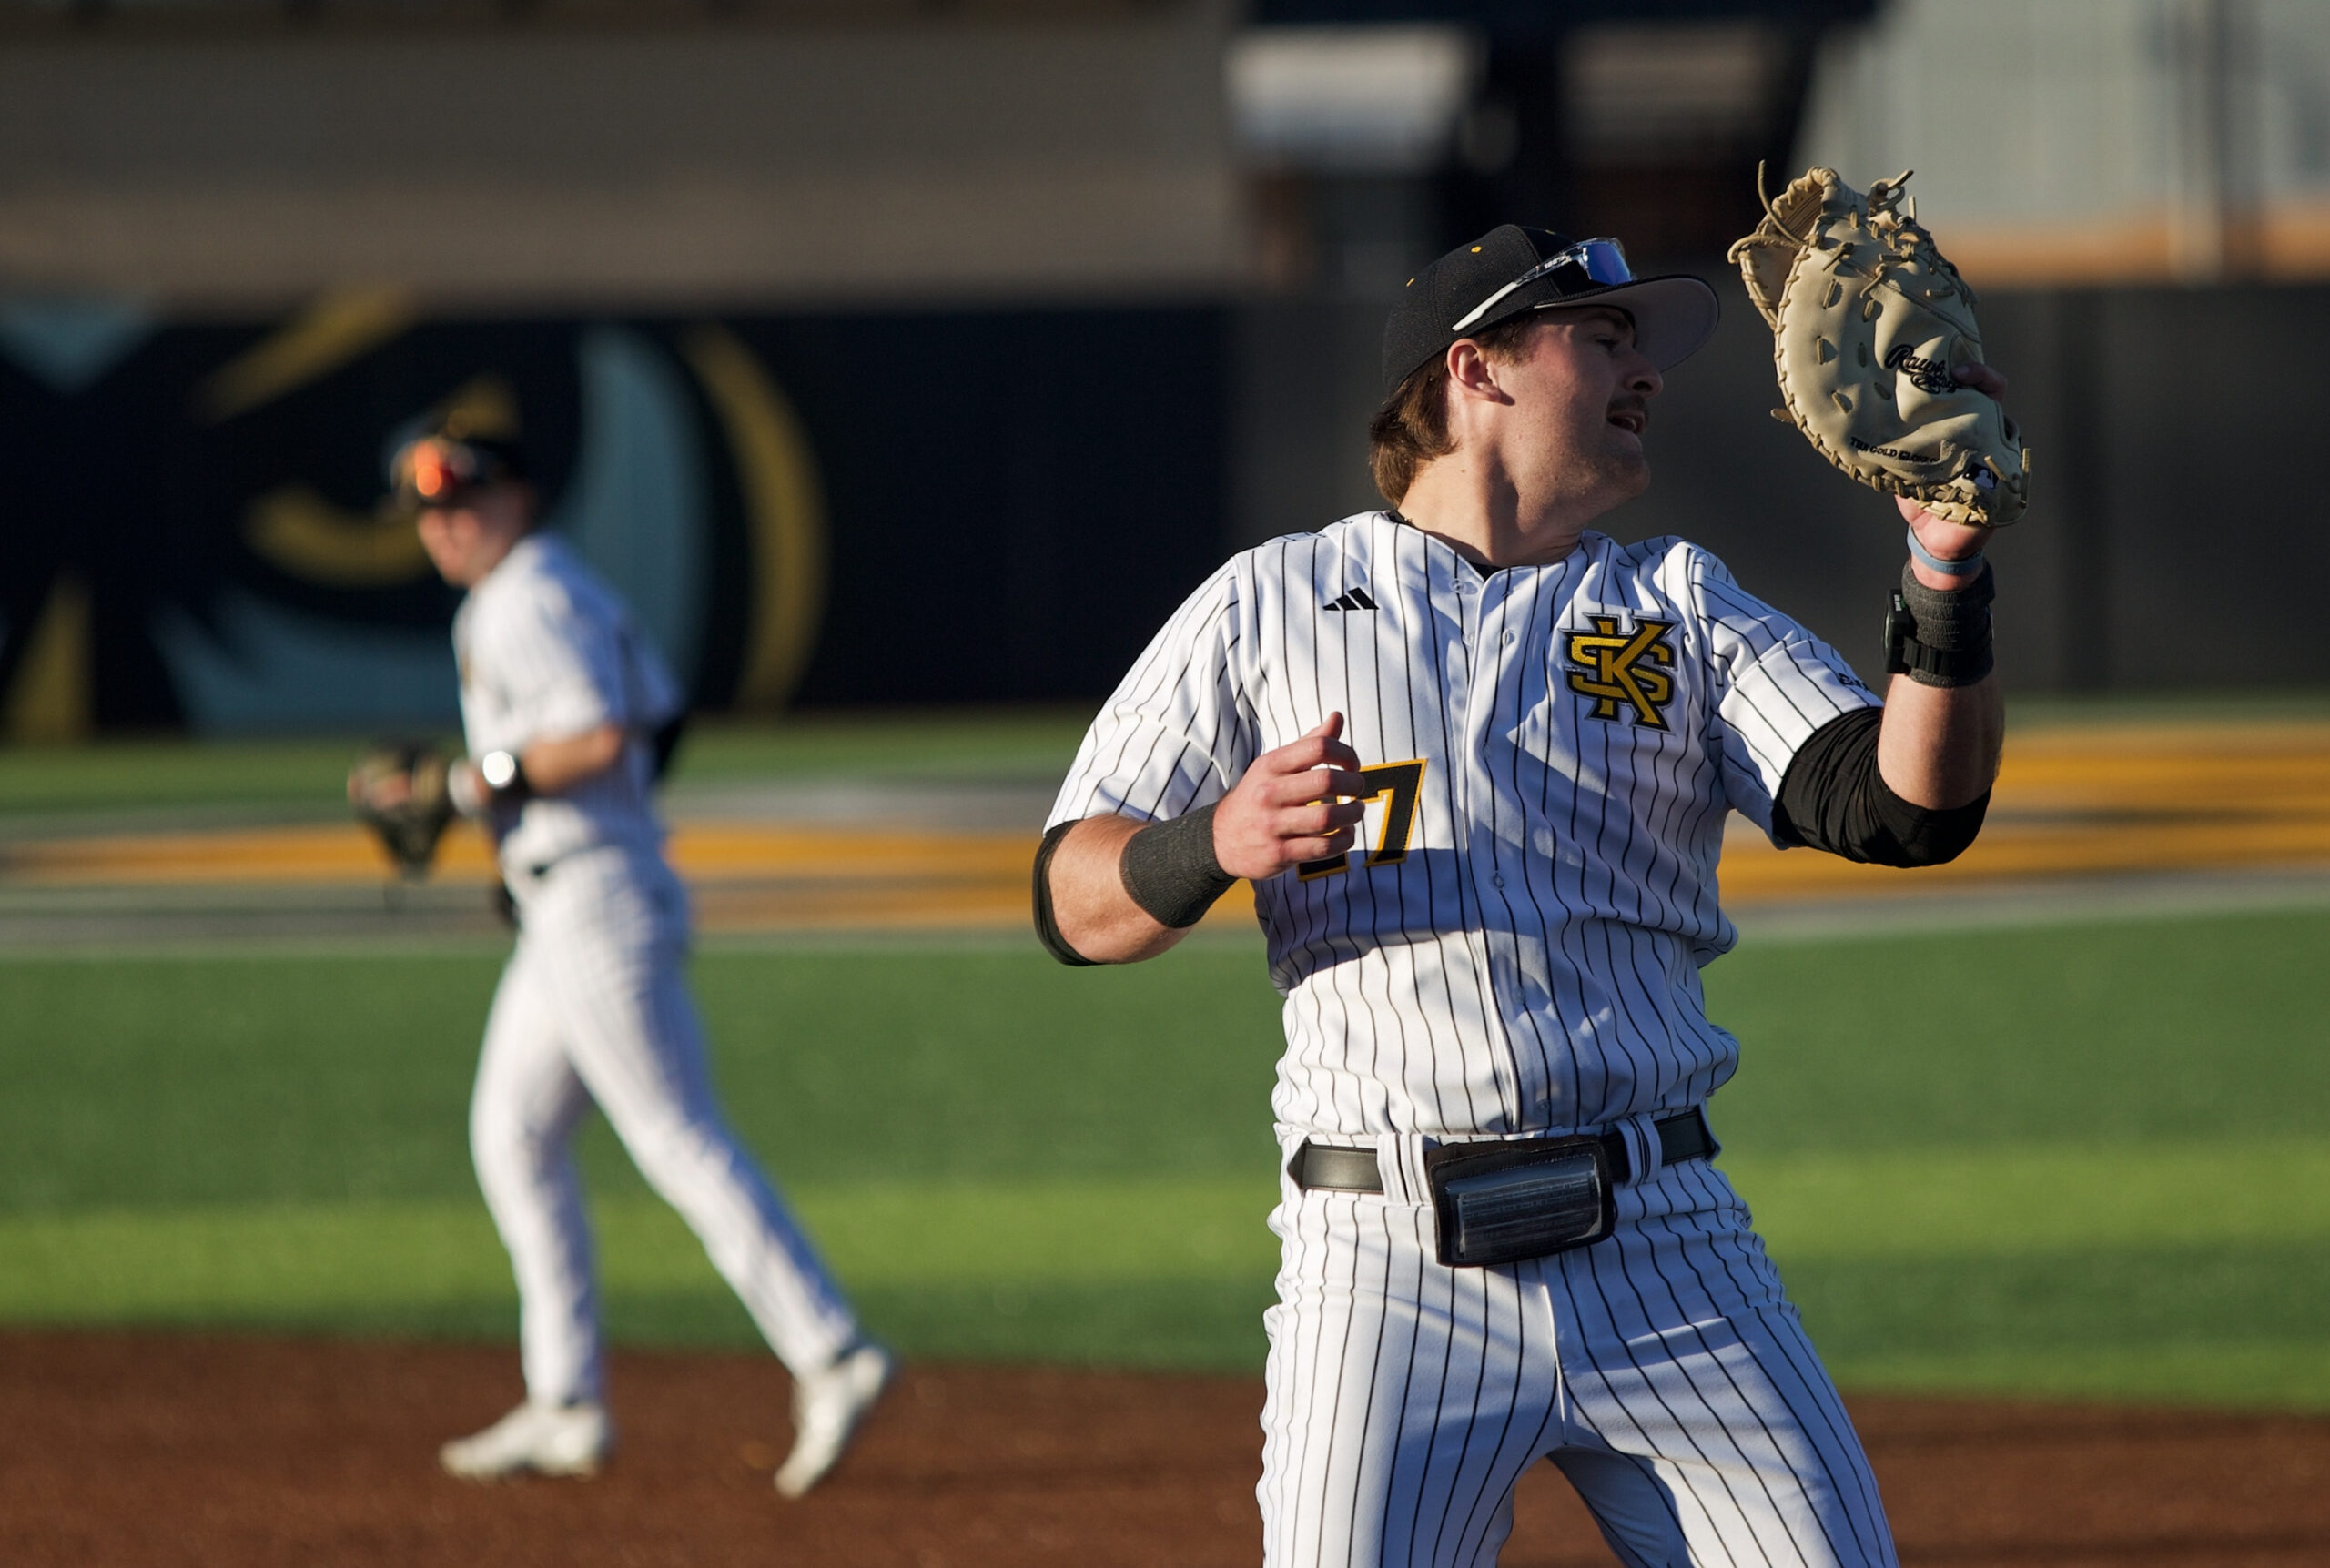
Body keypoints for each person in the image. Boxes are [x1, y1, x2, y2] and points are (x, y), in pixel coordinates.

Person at [1034, 227, 2005, 1566]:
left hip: (1668, 1242)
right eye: (1603, 337)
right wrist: (1214, 836)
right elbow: (1073, 900)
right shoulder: (1271, 601)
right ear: (1476, 366)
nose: (1644, 373)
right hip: (1383, 1266)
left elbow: (1905, 809)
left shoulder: (1678, 603)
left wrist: (1945, 581)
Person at [371, 419, 890, 1497]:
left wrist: (481, 788)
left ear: (519, 499)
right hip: (572, 896)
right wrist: (529, 846)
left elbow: (603, 734)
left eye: (464, 502)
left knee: (673, 1136)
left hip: (595, 907)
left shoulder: (527, 598)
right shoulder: (552, 587)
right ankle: (565, 1403)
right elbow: (659, 721)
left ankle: (829, 1351)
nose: (447, 525)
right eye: (430, 512)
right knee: (512, 1137)